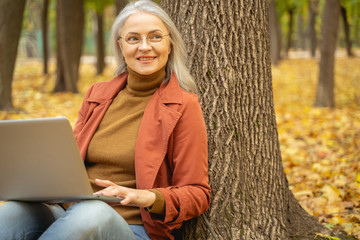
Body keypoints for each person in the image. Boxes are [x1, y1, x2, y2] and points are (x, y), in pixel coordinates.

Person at [0, 0, 210, 240]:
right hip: (70, 213)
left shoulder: (183, 105)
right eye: (133, 38)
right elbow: (71, 162)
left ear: (169, 44)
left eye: (155, 37)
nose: (144, 47)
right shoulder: (97, 94)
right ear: (121, 46)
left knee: (92, 214)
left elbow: (197, 193)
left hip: (132, 228)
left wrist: (147, 196)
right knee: (13, 212)